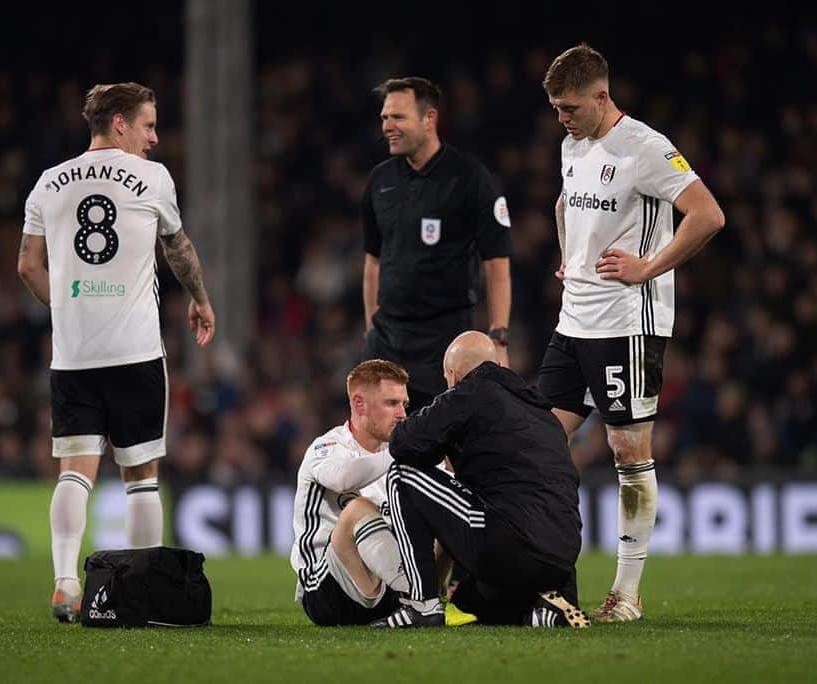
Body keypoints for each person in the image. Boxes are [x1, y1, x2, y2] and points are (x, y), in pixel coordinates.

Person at [536, 45, 726, 622]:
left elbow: (708, 215)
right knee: (538, 440)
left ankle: (626, 595)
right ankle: (539, 572)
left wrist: (648, 267)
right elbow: (565, 203)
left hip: (627, 326)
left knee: (626, 449)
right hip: (574, 321)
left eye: (569, 107)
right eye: (555, 108)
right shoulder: (574, 144)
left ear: (602, 96)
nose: (561, 118)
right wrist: (570, 254)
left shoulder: (644, 147)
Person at [17, 82, 216, 623]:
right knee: (142, 477)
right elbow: (177, 248)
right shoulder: (152, 178)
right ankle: (140, 591)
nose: (154, 138)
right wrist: (199, 298)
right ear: (121, 123)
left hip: (74, 354)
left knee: (74, 473)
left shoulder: (47, 183)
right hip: (135, 352)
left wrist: (67, 310)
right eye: (148, 125)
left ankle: (63, 582)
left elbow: (27, 267)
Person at [370, 332, 587, 628]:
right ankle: (545, 608)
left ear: (453, 374)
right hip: (563, 557)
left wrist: (442, 431)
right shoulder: (541, 411)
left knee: (403, 476)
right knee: (472, 601)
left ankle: (421, 605)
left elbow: (403, 444)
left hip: (509, 540)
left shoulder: (470, 391)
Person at [362, 77, 513, 412]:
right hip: (388, 338)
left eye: (397, 117)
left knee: (447, 443)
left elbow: (497, 264)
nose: (387, 126)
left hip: (445, 340)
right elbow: (373, 261)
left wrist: (498, 337)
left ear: (429, 119)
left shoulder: (470, 178)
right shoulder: (379, 181)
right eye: (385, 117)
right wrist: (372, 327)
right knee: (379, 440)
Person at [291, 359, 411, 626]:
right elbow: (344, 478)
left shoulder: (391, 451)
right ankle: (417, 596)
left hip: (384, 582)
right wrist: (403, 451)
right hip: (327, 589)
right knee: (359, 508)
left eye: (404, 404)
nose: (402, 413)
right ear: (359, 404)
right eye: (392, 403)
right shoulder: (327, 447)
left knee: (441, 503)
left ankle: (429, 601)